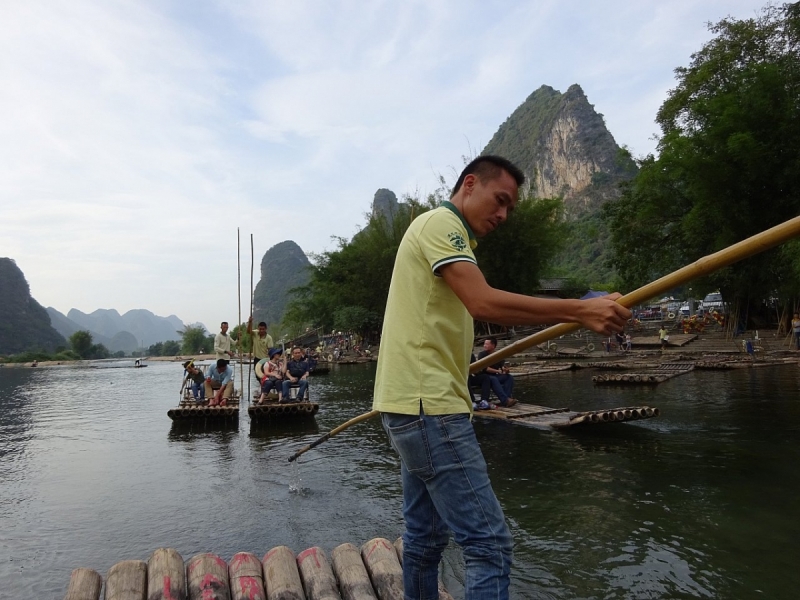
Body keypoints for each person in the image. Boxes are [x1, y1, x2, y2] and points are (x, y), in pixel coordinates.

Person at [372, 155, 630, 599]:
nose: (503, 215)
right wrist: (581, 309)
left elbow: (458, 316)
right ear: (469, 184)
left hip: (406, 407)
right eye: (500, 200)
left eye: (510, 208)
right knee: (489, 546)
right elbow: (483, 302)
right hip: (431, 409)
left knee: (424, 541)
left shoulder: (448, 241)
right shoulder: (441, 224)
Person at [474, 337, 517, 407]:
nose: (484, 346)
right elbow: (485, 368)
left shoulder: (498, 354)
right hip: (486, 377)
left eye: (487, 344)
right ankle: (505, 400)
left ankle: (507, 397)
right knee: (493, 379)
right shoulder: (482, 354)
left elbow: (502, 366)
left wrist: (505, 370)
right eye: (484, 344)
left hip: (495, 376)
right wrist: (497, 371)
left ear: (493, 346)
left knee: (509, 377)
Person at [247, 318, 274, 382]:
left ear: (266, 329)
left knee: (265, 374)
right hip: (257, 358)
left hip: (265, 359)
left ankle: (265, 388)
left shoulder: (269, 338)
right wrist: (250, 323)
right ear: (258, 328)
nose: (261, 330)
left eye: (263, 329)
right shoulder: (255, 333)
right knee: (257, 375)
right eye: (260, 329)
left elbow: (270, 349)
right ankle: (263, 388)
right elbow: (248, 331)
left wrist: (271, 360)